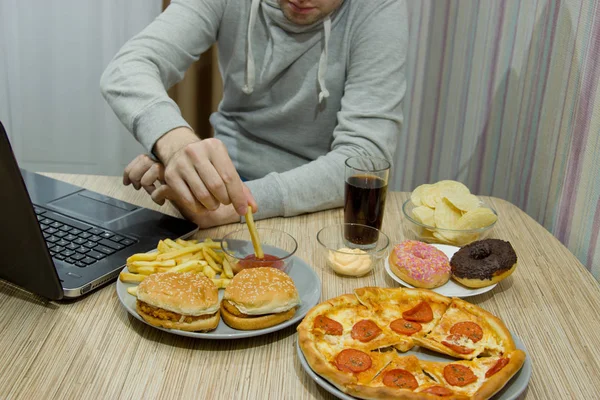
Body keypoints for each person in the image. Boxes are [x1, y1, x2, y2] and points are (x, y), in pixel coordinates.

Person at [100, 0, 407, 228]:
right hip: (227, 184)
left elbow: (365, 160)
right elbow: (127, 68)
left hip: (318, 199)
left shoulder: (379, 9)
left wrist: (235, 205)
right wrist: (177, 148)